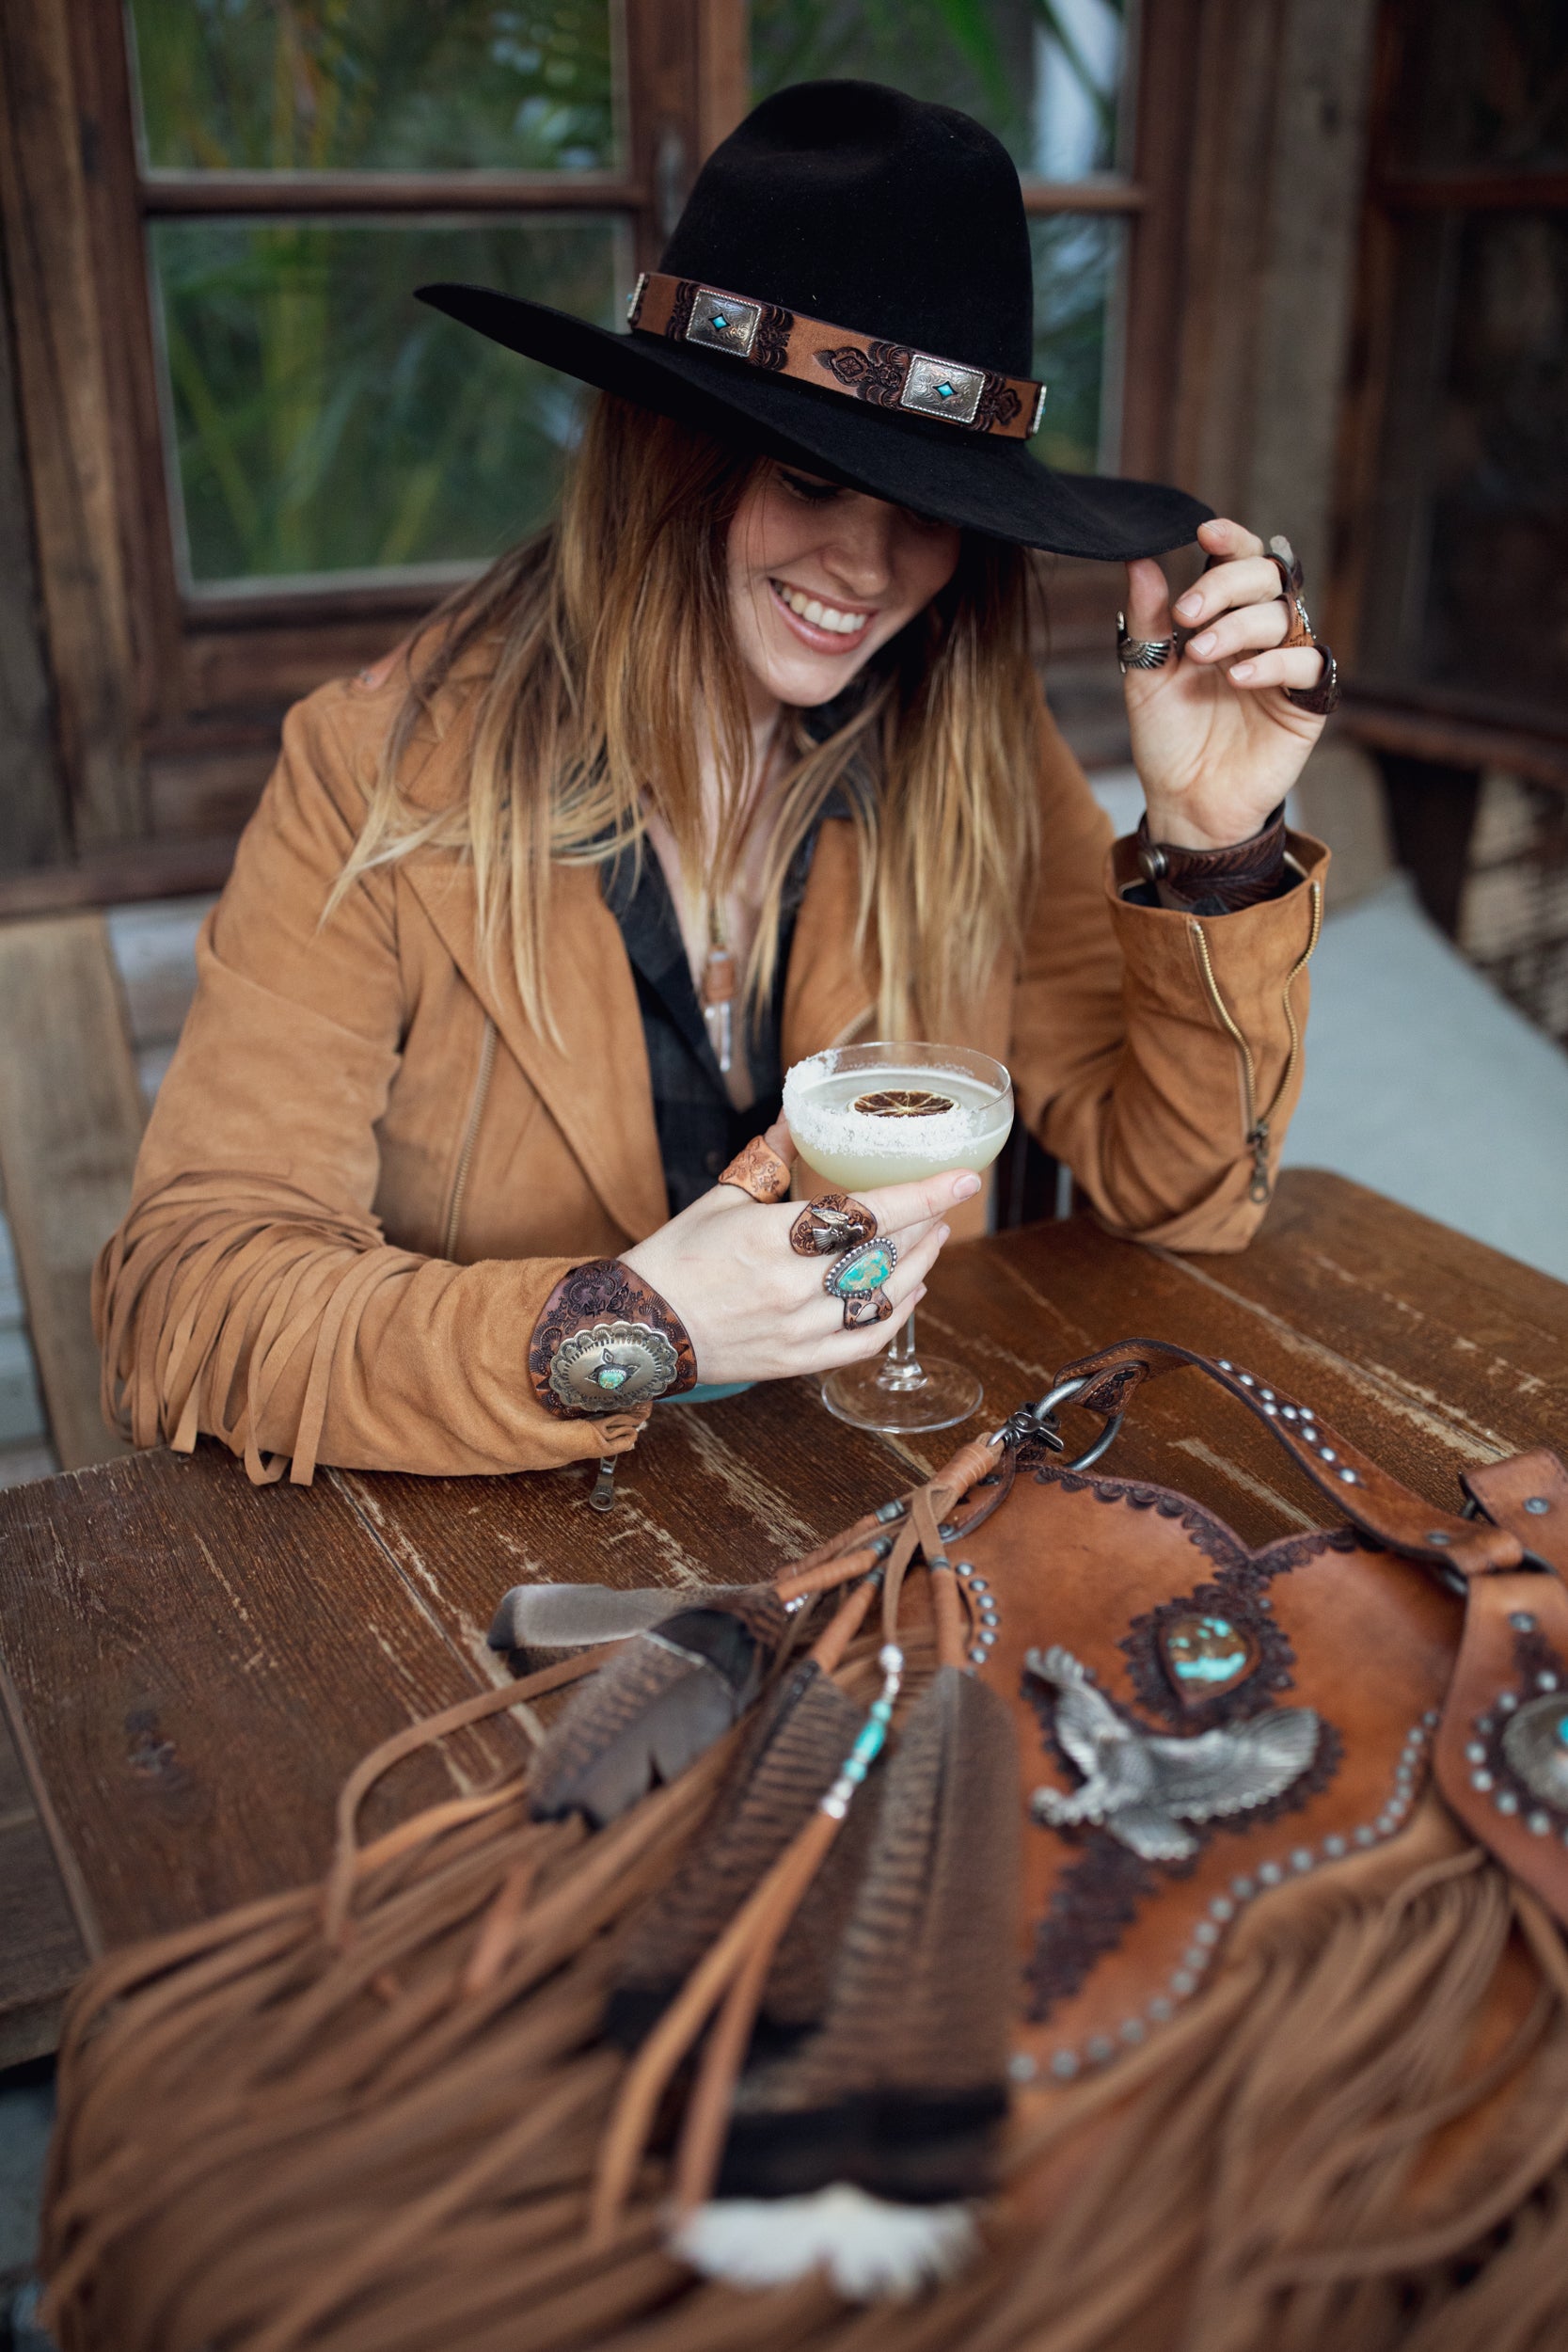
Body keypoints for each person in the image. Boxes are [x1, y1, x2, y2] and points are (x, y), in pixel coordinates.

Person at [96, 81, 1335, 1487]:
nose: (867, 574)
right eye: (809, 480)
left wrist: (1214, 850)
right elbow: (186, 1307)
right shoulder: (380, 773)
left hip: (880, 1539)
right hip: (489, 1576)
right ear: (665, 452)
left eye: (927, 511)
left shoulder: (973, 757)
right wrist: (628, 1326)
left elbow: (1186, 1201)